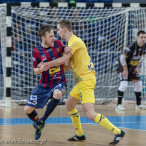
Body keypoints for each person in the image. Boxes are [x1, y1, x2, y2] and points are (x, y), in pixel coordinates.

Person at [43, 20, 125, 145]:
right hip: (81, 82)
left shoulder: (75, 41)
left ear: (64, 30)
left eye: (58, 30)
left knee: (90, 114)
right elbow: (67, 67)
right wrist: (55, 63)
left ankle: (118, 132)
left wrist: (49, 63)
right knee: (69, 105)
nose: (57, 32)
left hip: (86, 80)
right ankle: (80, 135)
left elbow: (64, 59)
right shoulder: (70, 44)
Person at [24, 25, 70, 140]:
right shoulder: (36, 51)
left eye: (53, 35)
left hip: (59, 81)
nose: (53, 38)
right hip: (44, 84)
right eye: (50, 36)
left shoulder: (59, 44)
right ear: (43, 38)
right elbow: (35, 70)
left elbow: (66, 55)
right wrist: (41, 69)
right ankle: (39, 124)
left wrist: (67, 52)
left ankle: (42, 121)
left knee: (58, 94)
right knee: (27, 110)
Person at [116, 30, 146, 111]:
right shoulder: (132, 45)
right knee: (124, 84)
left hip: (133, 67)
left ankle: (138, 104)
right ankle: (118, 105)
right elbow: (122, 57)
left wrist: (137, 67)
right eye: (141, 37)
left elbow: (139, 57)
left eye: (144, 37)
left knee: (139, 83)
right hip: (123, 66)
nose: (143, 39)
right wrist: (125, 70)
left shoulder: (144, 46)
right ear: (137, 37)